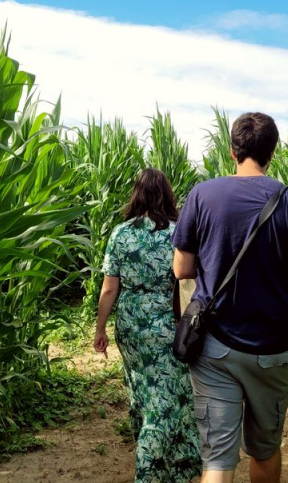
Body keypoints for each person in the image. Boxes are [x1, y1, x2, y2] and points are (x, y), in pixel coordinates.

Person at [172, 112, 288, 483]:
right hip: (271, 348)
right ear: (272, 152)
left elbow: (182, 269)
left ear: (232, 151)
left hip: (214, 348)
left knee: (219, 460)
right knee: (265, 449)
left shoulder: (202, 195)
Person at [94, 168, 202, 483]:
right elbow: (190, 279)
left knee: (143, 393)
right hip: (169, 322)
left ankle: (163, 463)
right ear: (168, 195)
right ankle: (157, 469)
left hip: (130, 325)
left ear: (136, 195)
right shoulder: (178, 232)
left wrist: (100, 328)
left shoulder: (121, 233)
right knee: (169, 397)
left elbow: (109, 288)